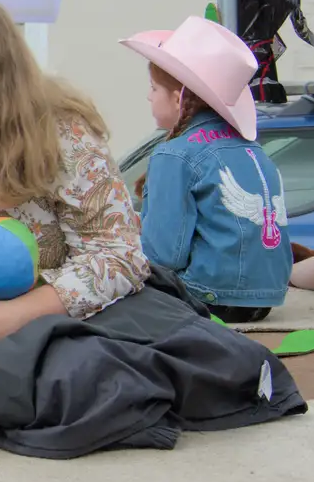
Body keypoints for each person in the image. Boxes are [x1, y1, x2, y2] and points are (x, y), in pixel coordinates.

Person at [0, 0, 301, 456]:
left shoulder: (61, 136)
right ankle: (52, 395)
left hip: (56, 318)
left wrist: (19, 314)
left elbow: (118, 253)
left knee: (99, 349)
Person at [121, 17, 291, 322]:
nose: (149, 96)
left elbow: (163, 256)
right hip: (266, 298)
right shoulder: (251, 148)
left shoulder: (174, 153)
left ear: (177, 98)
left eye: (154, 87)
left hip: (209, 295)